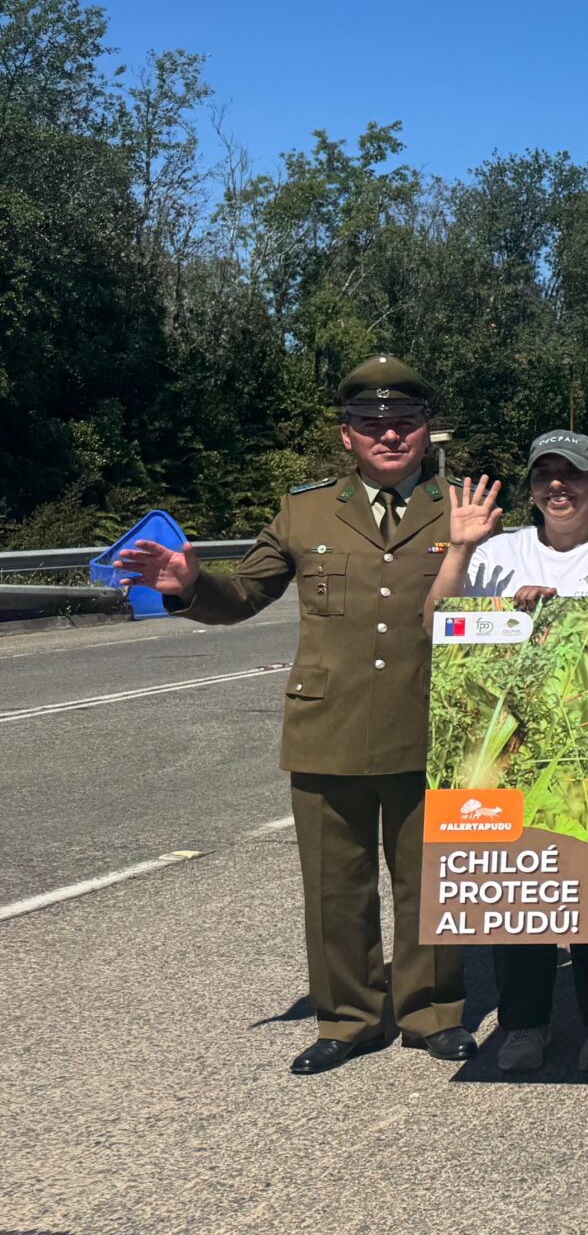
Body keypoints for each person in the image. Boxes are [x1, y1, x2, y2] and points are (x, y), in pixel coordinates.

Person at [114, 357, 470, 1073]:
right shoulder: (304, 510)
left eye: (403, 423)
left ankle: (432, 1011)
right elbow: (244, 594)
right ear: (346, 438)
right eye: (371, 425)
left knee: (430, 877)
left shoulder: (464, 508)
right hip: (327, 724)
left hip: (432, 720)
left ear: (428, 432)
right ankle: (349, 1016)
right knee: (334, 886)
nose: (388, 435)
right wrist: (189, 586)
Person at [426, 431, 588, 1074]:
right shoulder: (496, 553)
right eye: (544, 474)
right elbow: (435, 623)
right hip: (507, 746)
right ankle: (524, 1023)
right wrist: (461, 551)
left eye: (573, 475)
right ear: (531, 487)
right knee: (517, 886)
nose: (558, 486)